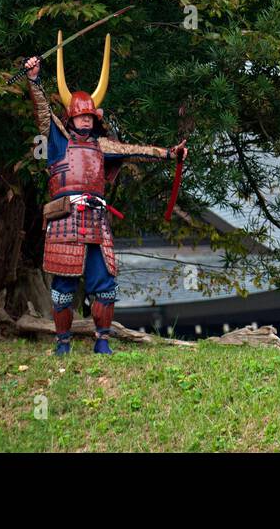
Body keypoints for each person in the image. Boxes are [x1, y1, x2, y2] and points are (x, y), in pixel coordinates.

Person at [23, 35, 185, 355]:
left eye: (89, 116)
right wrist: (34, 79)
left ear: (95, 119)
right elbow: (42, 111)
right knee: (63, 289)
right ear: (71, 118)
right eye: (81, 116)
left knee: (105, 286)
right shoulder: (57, 141)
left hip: (97, 222)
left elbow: (136, 150)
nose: (85, 119)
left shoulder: (102, 147)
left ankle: (102, 341)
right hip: (66, 220)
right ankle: (63, 343)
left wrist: (169, 154)